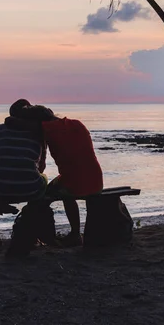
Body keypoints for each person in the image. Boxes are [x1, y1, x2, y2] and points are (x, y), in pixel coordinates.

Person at [0, 99, 48, 249]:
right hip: (29, 189)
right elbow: (42, 167)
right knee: (41, 180)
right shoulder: (38, 134)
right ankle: (31, 235)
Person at [36, 106, 103, 247]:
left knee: (44, 195)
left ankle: (51, 235)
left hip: (73, 183)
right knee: (66, 183)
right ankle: (75, 233)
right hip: (96, 179)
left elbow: (41, 166)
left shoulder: (44, 129)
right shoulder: (77, 123)